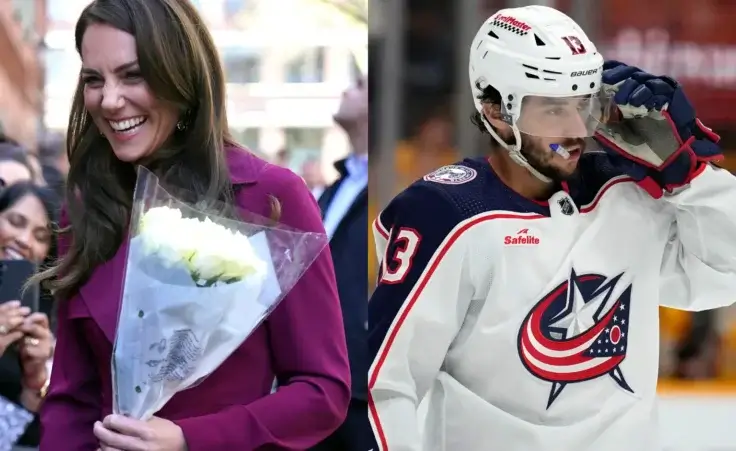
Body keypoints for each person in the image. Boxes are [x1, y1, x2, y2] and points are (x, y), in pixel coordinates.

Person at [367, 5, 736, 451]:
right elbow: (384, 387)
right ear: (495, 109)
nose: (578, 129)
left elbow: (720, 279)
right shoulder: (448, 213)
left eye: (585, 104)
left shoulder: (624, 192)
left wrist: (692, 176)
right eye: (555, 110)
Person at [35, 1, 350, 450]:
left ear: (180, 77)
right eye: (93, 80)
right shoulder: (87, 207)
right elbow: (72, 398)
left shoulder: (272, 197)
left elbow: (323, 392)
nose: (108, 100)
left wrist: (190, 439)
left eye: (132, 75)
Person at [312, 77, 371, 450]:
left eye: (361, 85)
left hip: (368, 394)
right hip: (320, 386)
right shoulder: (337, 188)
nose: (347, 90)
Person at [0, 182, 57, 450]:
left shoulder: (40, 315)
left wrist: (35, 380)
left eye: (41, 236)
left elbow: (17, 435)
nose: (24, 240)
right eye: (15, 221)